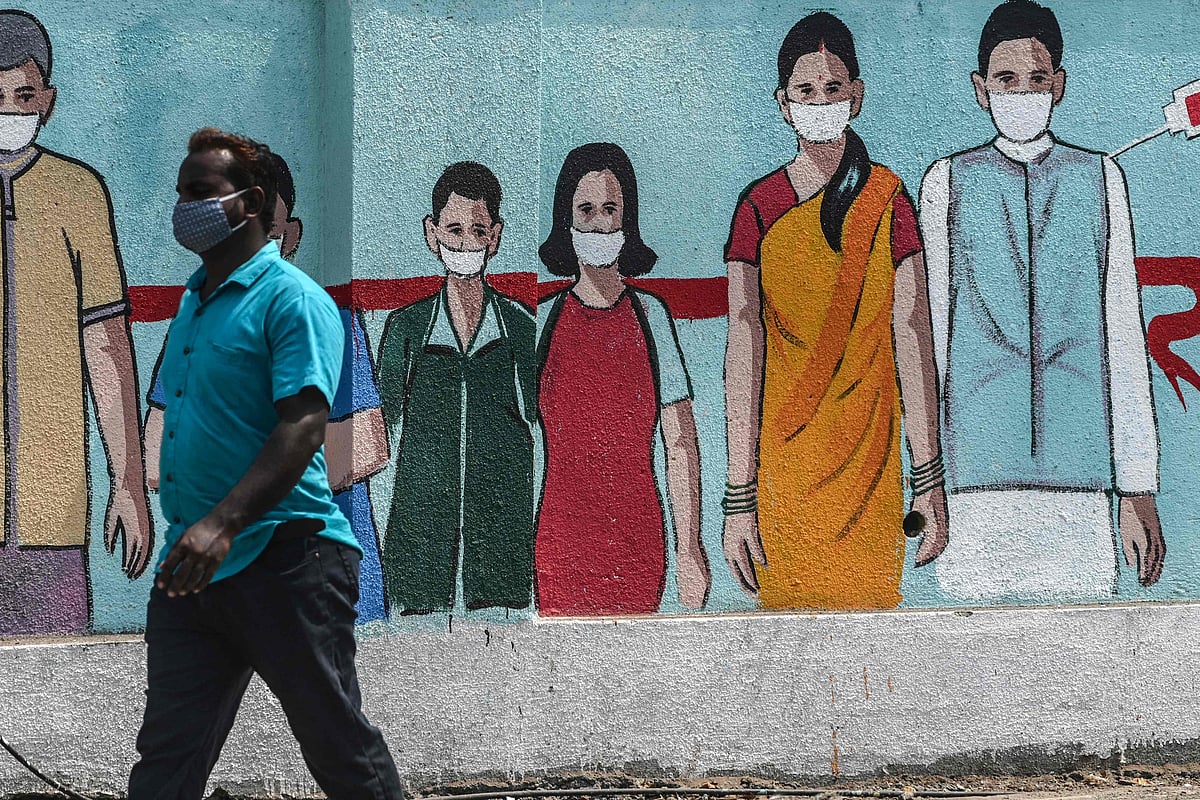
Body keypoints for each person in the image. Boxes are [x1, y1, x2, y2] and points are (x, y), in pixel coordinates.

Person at [127, 128, 403, 799]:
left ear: (249, 202)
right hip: (194, 566)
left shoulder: (291, 298)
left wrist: (223, 522)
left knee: (336, 744)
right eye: (181, 191)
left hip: (289, 562)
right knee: (167, 753)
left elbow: (304, 424)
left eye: (201, 191)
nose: (183, 205)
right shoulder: (196, 300)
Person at [918, 0, 1166, 602]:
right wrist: (929, 480)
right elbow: (931, 344)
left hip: (1080, 485)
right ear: (981, 90)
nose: (1021, 92)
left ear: (1058, 85)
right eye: (1006, 79)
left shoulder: (1103, 177)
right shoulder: (944, 181)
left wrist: (1136, 486)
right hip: (973, 479)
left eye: (1036, 79)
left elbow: (1122, 336)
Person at [722, 13, 947, 611]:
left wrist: (928, 480)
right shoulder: (758, 208)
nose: (820, 103)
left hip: (871, 470)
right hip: (784, 475)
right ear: (783, 103)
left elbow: (911, 335)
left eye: (833, 89)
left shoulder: (889, 201)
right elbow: (744, 348)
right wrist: (739, 501)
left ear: (857, 96)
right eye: (805, 91)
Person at [145, 151, 391, 623]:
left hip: (315, 570)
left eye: (267, 231)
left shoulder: (327, 317)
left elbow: (365, 446)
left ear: (290, 236)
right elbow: (158, 451)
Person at [0, 9, 153, 637]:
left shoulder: (78, 192)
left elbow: (107, 348)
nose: (10, 109)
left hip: (50, 514)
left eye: (23, 95)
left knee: (53, 690)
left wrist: (129, 483)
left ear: (49, 101)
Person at [536, 142, 711, 616]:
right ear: (565, 221)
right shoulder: (541, 322)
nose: (597, 222)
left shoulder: (651, 317)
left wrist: (689, 550)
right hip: (556, 544)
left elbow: (680, 442)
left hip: (638, 542)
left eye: (609, 209)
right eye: (585, 209)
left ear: (627, 219)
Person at [376, 161, 537, 614]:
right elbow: (378, 428)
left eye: (477, 229)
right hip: (420, 548)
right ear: (433, 234)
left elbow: (547, 423)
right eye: (454, 229)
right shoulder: (406, 328)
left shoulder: (520, 328)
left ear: (495, 236)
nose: (465, 243)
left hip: (502, 551)